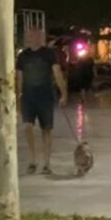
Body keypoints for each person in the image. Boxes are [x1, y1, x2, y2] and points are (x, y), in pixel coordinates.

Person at [17, 28, 68, 175]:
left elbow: (57, 73)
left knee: (46, 129)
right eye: (29, 36)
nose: (30, 38)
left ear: (40, 38)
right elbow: (19, 77)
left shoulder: (49, 54)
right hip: (28, 97)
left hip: (45, 96)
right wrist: (18, 95)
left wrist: (63, 93)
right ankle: (33, 160)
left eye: (34, 35)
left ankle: (46, 163)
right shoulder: (23, 56)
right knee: (27, 126)